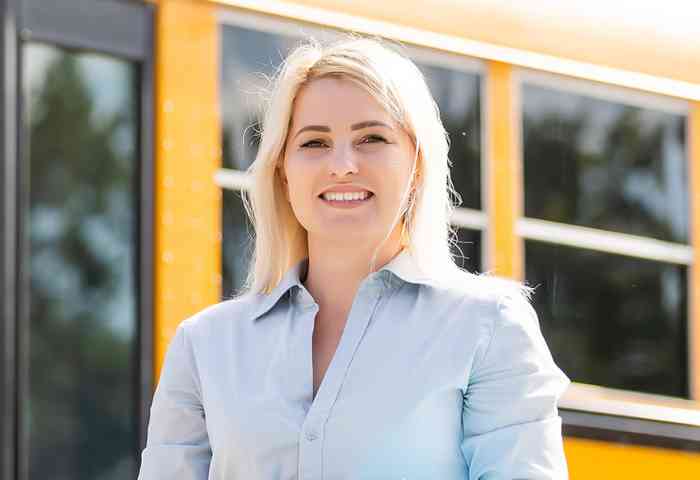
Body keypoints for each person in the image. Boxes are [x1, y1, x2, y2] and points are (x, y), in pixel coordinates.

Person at [137, 36, 570, 479]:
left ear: (417, 164)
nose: (343, 164)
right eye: (314, 143)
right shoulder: (205, 346)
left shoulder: (488, 326)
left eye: (371, 138)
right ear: (283, 171)